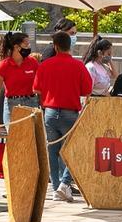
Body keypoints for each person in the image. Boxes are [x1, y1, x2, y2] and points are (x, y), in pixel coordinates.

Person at [34, 31, 92, 202]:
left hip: (50, 112)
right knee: (73, 149)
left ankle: (55, 188)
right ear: (70, 45)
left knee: (53, 150)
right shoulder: (78, 65)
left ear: (55, 46)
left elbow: (36, 89)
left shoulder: (45, 65)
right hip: (70, 112)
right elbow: (87, 90)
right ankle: (64, 184)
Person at [0, 31, 39, 137]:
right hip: (12, 104)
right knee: (15, 140)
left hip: (32, 103)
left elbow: (40, 85)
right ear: (17, 47)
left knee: (31, 140)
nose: (29, 47)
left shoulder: (33, 62)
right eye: (26, 44)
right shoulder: (4, 66)